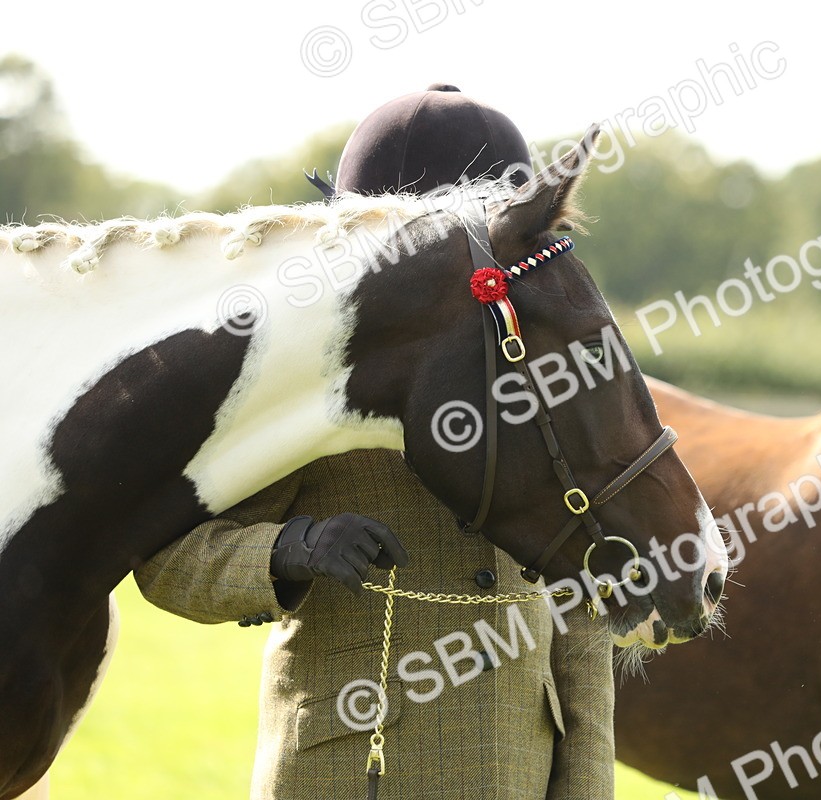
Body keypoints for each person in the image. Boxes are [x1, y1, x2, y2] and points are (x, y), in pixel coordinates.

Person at [135, 84, 615, 800]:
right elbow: (168, 561)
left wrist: (585, 790)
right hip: (346, 773)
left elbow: (583, 618)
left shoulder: (549, 396)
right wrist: (292, 549)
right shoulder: (301, 385)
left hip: (514, 771)